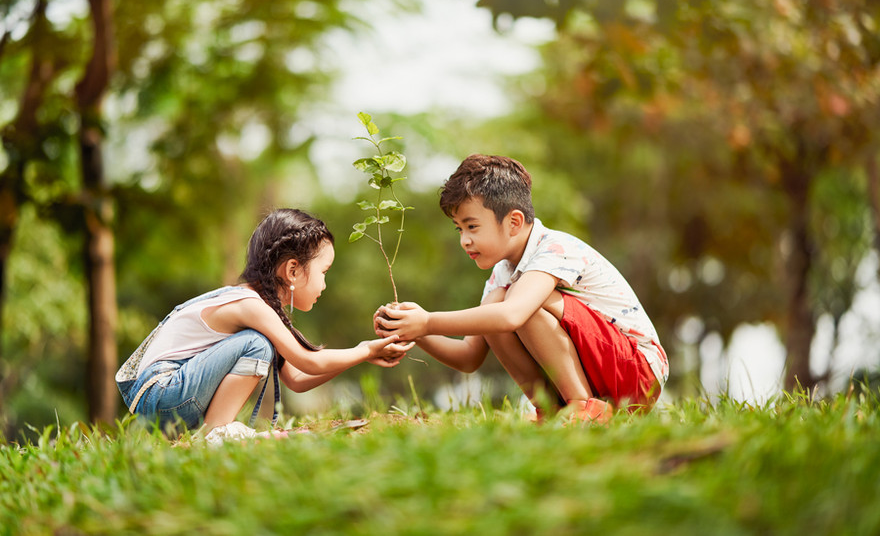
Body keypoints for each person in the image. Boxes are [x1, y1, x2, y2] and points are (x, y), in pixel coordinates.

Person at [375, 155, 668, 424]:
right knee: (494, 306)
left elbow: (513, 315)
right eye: (459, 229)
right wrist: (416, 330)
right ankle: (553, 411)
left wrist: (428, 320)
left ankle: (583, 405)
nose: (464, 240)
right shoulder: (502, 274)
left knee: (512, 303)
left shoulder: (555, 249)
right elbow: (468, 356)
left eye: (472, 226)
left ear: (514, 221)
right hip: (602, 372)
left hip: (637, 373)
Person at [117, 208, 412, 438]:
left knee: (260, 343)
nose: (325, 284)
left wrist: (361, 356)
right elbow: (309, 361)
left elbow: (297, 378)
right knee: (256, 345)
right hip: (163, 393)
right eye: (324, 271)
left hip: (166, 399)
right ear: (293, 270)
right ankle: (216, 432)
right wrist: (366, 350)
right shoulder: (249, 306)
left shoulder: (261, 308)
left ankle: (213, 431)